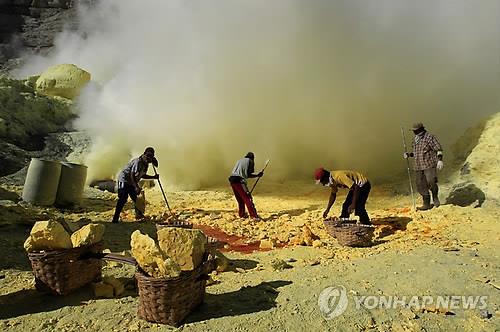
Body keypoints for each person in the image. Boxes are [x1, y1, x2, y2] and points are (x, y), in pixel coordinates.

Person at [112, 147, 159, 223]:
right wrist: (136, 187)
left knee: (137, 199)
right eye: (147, 156)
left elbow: (142, 175)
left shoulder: (146, 164)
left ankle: (138, 215)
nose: (148, 158)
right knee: (123, 198)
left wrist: (153, 177)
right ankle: (115, 218)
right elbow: (132, 174)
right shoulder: (138, 162)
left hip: (132, 182)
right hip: (124, 179)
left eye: (151, 156)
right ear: (144, 154)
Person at [403, 122, 443, 210]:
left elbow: (438, 149)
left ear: (420, 130)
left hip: (429, 164)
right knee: (420, 184)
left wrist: (440, 160)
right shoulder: (415, 140)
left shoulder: (429, 137)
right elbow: (417, 153)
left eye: (415, 130)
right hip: (418, 166)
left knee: (431, 181)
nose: (414, 132)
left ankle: (435, 197)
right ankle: (426, 203)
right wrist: (409, 154)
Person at [228, 152, 264, 220]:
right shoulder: (250, 161)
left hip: (232, 180)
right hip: (239, 180)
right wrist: (258, 175)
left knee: (240, 199)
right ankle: (254, 216)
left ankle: (242, 214)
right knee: (248, 198)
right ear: (252, 158)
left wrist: (257, 175)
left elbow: (242, 173)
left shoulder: (239, 161)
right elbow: (248, 174)